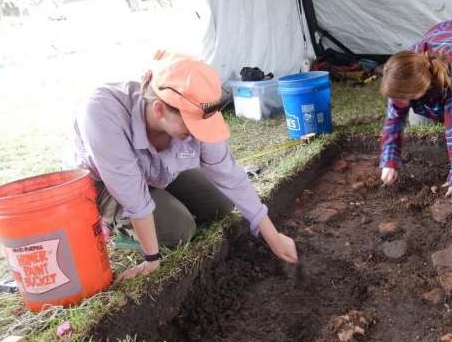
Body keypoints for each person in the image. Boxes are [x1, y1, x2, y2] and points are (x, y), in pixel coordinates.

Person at [66, 50, 298, 283]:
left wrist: (271, 234)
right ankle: (119, 225)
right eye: (191, 127)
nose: (196, 136)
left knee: (222, 204)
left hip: (158, 168)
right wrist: (151, 258)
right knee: (180, 230)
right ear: (159, 110)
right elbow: (132, 193)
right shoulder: (101, 112)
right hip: (107, 182)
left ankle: (164, 199)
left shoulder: (191, 116)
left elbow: (229, 175)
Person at [378, 18, 452, 196]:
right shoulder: (403, 69)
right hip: (443, 31)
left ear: (422, 89)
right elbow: (394, 118)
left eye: (407, 98)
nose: (401, 101)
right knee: (421, 125)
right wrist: (389, 161)